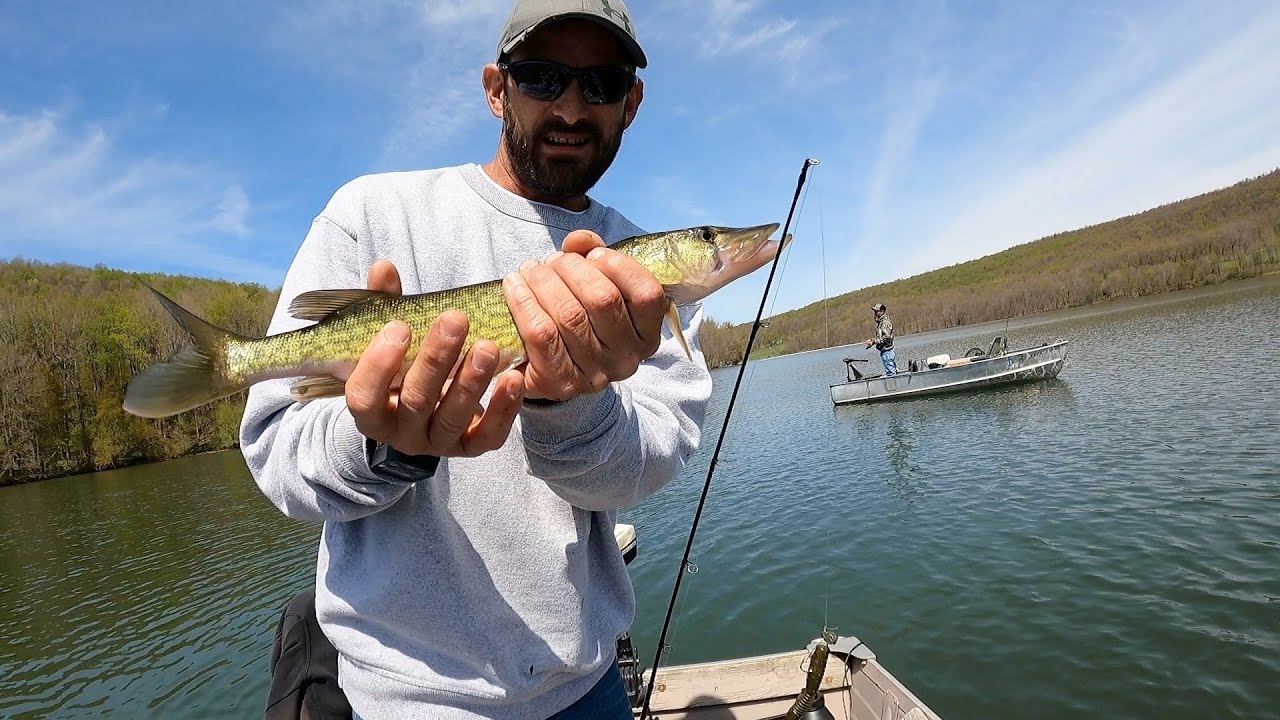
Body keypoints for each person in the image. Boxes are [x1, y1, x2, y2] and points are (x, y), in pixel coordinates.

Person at [243, 1, 712, 718]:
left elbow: (645, 465)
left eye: (602, 84)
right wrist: (380, 446)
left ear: (632, 102)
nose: (571, 107)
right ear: (497, 87)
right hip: (399, 701)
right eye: (543, 77)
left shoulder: (640, 283)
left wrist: (571, 400)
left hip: (586, 689)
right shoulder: (371, 214)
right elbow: (278, 449)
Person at [864, 302, 896, 376]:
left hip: (887, 351)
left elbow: (887, 338)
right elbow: (881, 337)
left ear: (883, 311)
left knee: (891, 372)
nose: (875, 313)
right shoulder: (881, 323)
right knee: (890, 370)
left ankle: (895, 385)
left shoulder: (885, 323)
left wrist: (874, 342)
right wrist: (872, 340)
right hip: (885, 351)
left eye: (877, 311)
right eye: (875, 311)